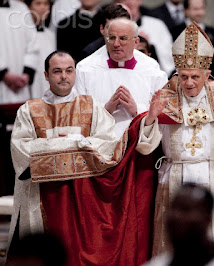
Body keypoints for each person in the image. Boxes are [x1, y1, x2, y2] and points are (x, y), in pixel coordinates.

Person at [135, 22, 214, 255]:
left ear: (207, 74)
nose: (189, 83)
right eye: (183, 76)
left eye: (195, 76)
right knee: (175, 246)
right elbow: (145, 147)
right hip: (176, 178)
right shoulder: (166, 99)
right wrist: (151, 117)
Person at [7, 51, 126, 263]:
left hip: (82, 194)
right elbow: (21, 150)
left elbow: (108, 144)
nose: (64, 76)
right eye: (57, 71)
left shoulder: (91, 106)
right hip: (44, 194)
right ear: (46, 75)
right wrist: (73, 143)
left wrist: (75, 140)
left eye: (69, 70)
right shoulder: (30, 110)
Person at [75, 17, 168, 139]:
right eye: (112, 38)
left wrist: (136, 110)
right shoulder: (86, 68)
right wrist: (106, 110)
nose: (116, 44)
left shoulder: (152, 69)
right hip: (98, 144)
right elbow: (77, 114)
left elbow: (164, 113)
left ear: (136, 42)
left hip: (138, 146)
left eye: (123, 38)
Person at [144, 184, 214, 266]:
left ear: (208, 219)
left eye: (185, 210)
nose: (176, 217)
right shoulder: (156, 264)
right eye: (173, 209)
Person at [116, 0, 175, 76]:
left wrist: (147, 44)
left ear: (139, 1)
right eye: (124, 0)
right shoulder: (112, 28)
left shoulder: (156, 24)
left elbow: (169, 59)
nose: (129, 2)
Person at [0, 0, 39, 103]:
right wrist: (4, 74)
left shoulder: (21, 8)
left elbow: (33, 44)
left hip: (22, 87)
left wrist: (26, 75)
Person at [25, 0, 56, 99]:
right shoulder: (22, 34)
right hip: (27, 90)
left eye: (46, 4)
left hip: (48, 91)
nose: (43, 7)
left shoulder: (51, 35)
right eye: (38, 4)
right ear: (28, 7)